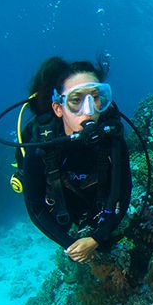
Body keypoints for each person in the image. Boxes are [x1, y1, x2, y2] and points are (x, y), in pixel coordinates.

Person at [18, 56, 132, 263]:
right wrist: (70, 245)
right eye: (76, 100)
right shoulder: (40, 146)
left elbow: (123, 192)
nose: (88, 111)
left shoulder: (112, 137)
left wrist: (97, 238)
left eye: (95, 97)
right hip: (61, 207)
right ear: (58, 108)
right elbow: (35, 207)